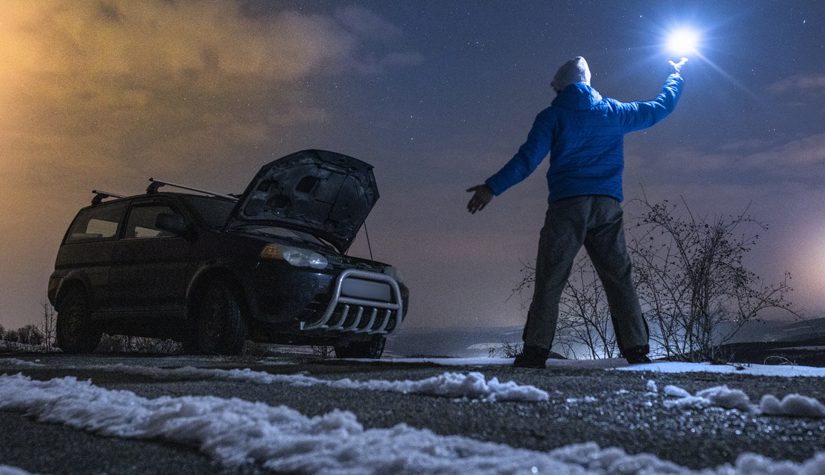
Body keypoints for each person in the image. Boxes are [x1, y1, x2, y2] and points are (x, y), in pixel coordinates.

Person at [466, 56, 687, 368]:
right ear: (587, 81)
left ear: (560, 86)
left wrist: (492, 187)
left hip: (567, 206)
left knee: (551, 278)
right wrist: (676, 75)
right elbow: (659, 108)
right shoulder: (613, 111)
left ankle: (535, 351)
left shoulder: (552, 115)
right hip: (607, 205)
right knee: (619, 278)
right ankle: (637, 349)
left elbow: (527, 159)